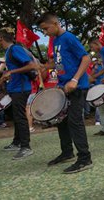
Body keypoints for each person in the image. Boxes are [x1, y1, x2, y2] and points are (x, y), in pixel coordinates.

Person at [37, 12, 92, 174]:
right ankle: (67, 152)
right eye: (42, 30)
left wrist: (74, 80)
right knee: (61, 122)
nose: (45, 33)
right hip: (64, 87)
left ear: (55, 23)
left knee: (75, 121)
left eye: (46, 29)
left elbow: (86, 58)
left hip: (77, 87)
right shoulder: (56, 41)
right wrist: (46, 67)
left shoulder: (69, 38)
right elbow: (60, 63)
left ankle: (85, 158)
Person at [0, 28, 38, 159]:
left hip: (21, 88)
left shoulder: (15, 49)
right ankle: (17, 142)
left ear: (1, 39)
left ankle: (26, 147)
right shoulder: (10, 51)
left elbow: (31, 65)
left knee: (20, 117)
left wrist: (11, 73)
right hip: (15, 88)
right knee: (17, 115)